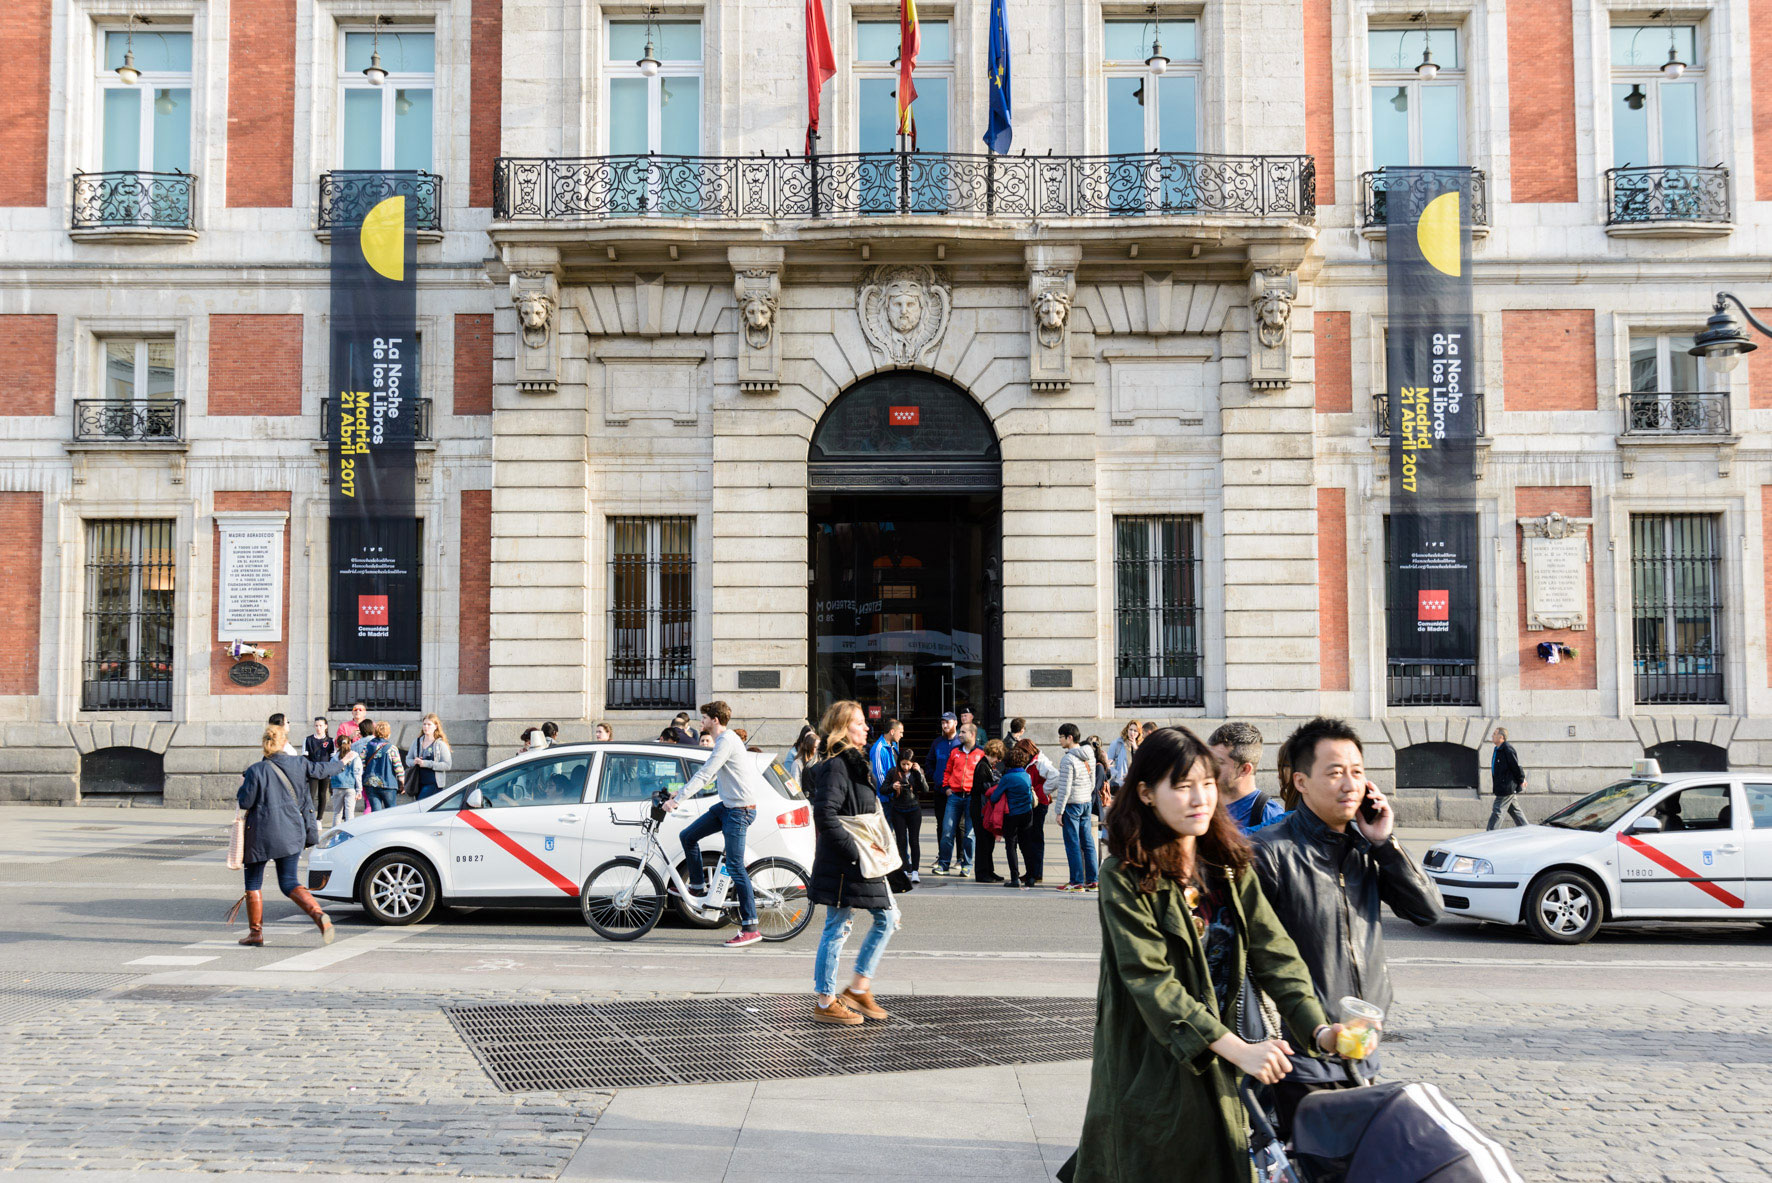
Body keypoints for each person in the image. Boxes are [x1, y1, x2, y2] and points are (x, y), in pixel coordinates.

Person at [1057, 726, 1340, 1183]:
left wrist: (1321, 1028)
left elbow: (1275, 953)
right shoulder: (1124, 873)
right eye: (1183, 786)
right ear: (1147, 793)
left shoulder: (1228, 863)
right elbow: (1151, 981)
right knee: (1152, 1159)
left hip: (1222, 1053)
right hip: (1154, 1057)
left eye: (1207, 783)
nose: (1200, 798)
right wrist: (1239, 1050)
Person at [1252, 717, 1443, 1135]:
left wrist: (1384, 843)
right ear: (1301, 781)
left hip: (1360, 1048)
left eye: (1357, 772)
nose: (1350, 784)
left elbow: (1428, 910)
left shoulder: (1364, 849)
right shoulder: (1270, 853)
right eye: (1335, 772)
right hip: (1300, 1054)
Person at [808, 699, 899, 1026]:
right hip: (848, 863)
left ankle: (859, 987)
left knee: (887, 919)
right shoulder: (837, 765)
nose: (866, 727)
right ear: (843, 727)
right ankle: (826, 1000)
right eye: (859, 722)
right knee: (837, 927)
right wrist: (856, 851)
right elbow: (825, 815)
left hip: (861, 859)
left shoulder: (854, 761)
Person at [666, 701, 771, 949]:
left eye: (703, 718)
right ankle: (699, 888)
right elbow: (711, 775)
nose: (700, 723)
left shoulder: (726, 741)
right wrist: (676, 793)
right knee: (688, 836)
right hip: (728, 807)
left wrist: (678, 801)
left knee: (735, 866)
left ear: (714, 720)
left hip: (739, 811)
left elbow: (704, 774)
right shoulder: (725, 741)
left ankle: (750, 927)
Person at [231, 724, 344, 947]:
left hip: (260, 835)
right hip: (292, 832)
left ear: (265, 744)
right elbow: (322, 770)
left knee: (253, 882)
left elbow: (245, 802)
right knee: (289, 882)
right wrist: (342, 763)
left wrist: (242, 786)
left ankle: (256, 933)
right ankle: (319, 915)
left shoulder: (256, 770)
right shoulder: (299, 763)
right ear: (284, 743)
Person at [1207, 721, 1286, 834]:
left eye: (1219, 762)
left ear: (1244, 769)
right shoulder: (1205, 805)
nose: (1209, 767)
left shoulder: (1270, 816)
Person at [1051, 723, 1099, 891]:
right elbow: (1093, 781)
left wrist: (1059, 811)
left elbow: (1065, 788)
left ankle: (1076, 881)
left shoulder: (1068, 759)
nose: (1059, 740)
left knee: (1072, 844)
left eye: (1061, 737)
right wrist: (1086, 794)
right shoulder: (1089, 755)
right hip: (1086, 801)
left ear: (1069, 737)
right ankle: (1093, 880)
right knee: (1088, 843)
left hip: (1072, 805)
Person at [934, 722, 982, 876]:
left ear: (972, 735)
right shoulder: (955, 751)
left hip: (971, 797)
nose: (959, 735)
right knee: (947, 831)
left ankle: (966, 865)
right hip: (954, 795)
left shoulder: (980, 753)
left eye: (963, 732)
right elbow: (947, 771)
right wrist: (946, 787)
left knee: (969, 833)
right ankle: (944, 864)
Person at [990, 745, 1037, 888]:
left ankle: (1015, 878)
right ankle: (1030, 877)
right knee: (1026, 846)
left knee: (1011, 846)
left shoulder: (1007, 778)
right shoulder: (1027, 776)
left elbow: (994, 797)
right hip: (1027, 814)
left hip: (1011, 815)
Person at [883, 748, 930, 884]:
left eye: (908, 764)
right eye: (903, 764)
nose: (905, 767)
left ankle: (915, 870)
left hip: (914, 809)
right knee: (901, 841)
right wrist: (893, 786)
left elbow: (925, 789)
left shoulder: (916, 772)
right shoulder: (893, 772)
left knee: (914, 841)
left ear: (913, 763)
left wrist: (919, 773)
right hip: (898, 809)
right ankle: (903, 868)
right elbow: (883, 789)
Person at [970, 739, 1006, 883]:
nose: (998, 760)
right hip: (979, 809)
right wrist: (998, 784)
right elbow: (982, 787)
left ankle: (989, 870)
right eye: (998, 757)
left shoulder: (986, 765)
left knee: (988, 841)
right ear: (993, 753)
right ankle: (981, 872)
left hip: (982, 808)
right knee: (983, 841)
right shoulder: (983, 766)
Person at [1488, 727, 1530, 829]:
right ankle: (1527, 830)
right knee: (1515, 811)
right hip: (1502, 785)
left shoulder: (1507, 749)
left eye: (1494, 734)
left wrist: (1521, 779)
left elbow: (1515, 766)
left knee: (1497, 811)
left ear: (1501, 737)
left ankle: (1490, 835)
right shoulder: (1497, 749)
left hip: (1506, 786)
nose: (1492, 736)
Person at [360, 721, 406, 812]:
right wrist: (402, 783)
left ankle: (377, 826)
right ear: (388, 733)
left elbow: (361, 764)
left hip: (370, 784)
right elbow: (398, 768)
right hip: (388, 784)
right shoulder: (392, 748)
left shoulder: (367, 746)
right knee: (390, 811)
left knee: (376, 812)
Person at [406, 713, 453, 800]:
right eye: (424, 724)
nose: (426, 727)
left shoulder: (440, 744)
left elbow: (447, 765)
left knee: (420, 805)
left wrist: (426, 763)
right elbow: (408, 759)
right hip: (417, 783)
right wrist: (414, 762)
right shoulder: (417, 742)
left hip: (433, 783)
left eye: (429, 724)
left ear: (435, 726)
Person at [328, 734, 363, 826]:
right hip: (350, 787)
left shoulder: (333, 759)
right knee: (349, 813)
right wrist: (359, 790)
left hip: (337, 786)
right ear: (350, 743)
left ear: (337, 745)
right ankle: (349, 834)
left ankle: (335, 835)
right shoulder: (355, 757)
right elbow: (358, 774)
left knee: (337, 813)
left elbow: (330, 774)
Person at [304, 717, 334, 818]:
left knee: (322, 794)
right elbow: (305, 757)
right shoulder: (308, 740)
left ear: (325, 726)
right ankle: (310, 817)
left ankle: (319, 818)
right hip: (312, 770)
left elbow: (332, 757)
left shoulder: (330, 741)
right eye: (316, 725)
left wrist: (330, 771)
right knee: (311, 795)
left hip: (325, 770)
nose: (318, 728)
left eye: (321, 725)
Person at [868, 718, 902, 792]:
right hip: (885, 798)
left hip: (893, 794)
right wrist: (889, 791)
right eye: (900, 732)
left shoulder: (893, 745)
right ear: (892, 731)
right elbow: (878, 775)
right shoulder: (879, 749)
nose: (901, 735)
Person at [1106, 720, 1140, 792]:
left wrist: (1135, 748)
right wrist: (1117, 775)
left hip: (1135, 783)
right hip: (1120, 783)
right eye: (1130, 729)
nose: (1132, 733)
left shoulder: (1141, 745)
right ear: (1127, 730)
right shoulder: (1117, 743)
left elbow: (1143, 762)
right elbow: (1108, 762)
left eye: (1135, 731)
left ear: (1139, 733)